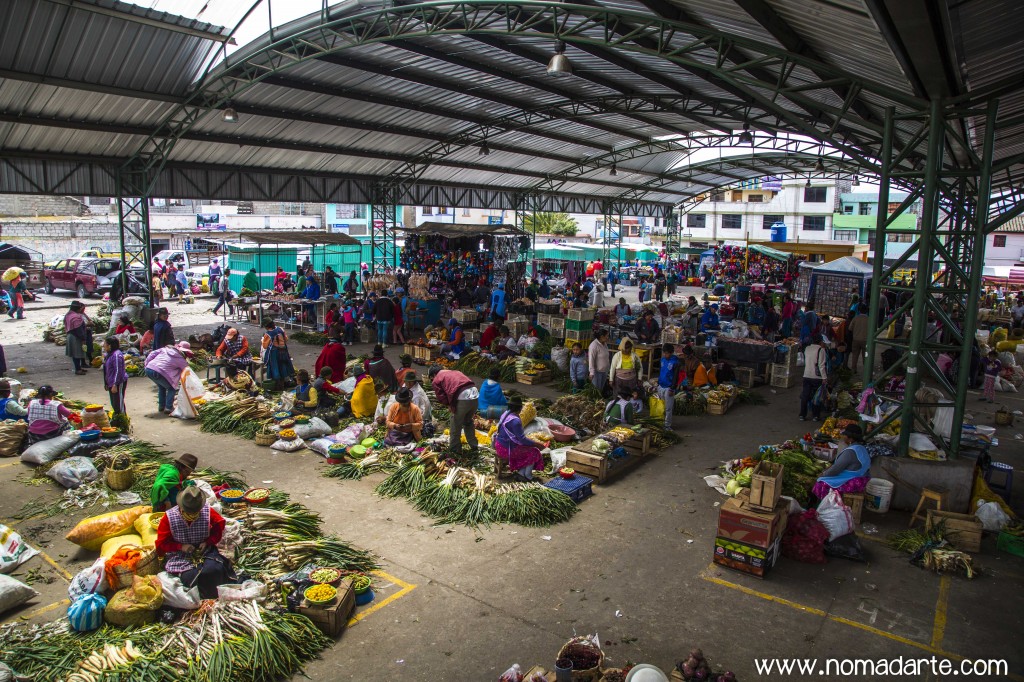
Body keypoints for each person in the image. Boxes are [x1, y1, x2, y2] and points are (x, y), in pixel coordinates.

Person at [156, 487, 237, 600]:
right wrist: (180, 546)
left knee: (215, 570)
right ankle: (201, 597)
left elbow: (219, 525)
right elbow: (162, 543)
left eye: (196, 511)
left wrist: (207, 542)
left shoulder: (207, 512)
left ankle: (212, 595)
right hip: (179, 555)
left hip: (205, 552)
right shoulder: (169, 517)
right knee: (192, 576)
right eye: (190, 512)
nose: (193, 514)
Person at [429, 365, 478, 457]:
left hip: (462, 397)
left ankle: (455, 450)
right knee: (467, 421)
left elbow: (441, 397)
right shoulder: (455, 371)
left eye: (431, 378)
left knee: (455, 423)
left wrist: (449, 405)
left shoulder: (437, 379)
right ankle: (474, 446)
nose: (432, 380)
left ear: (434, 374)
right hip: (474, 394)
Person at [812, 425, 872, 500]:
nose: (843, 436)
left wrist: (823, 475)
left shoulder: (850, 452)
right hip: (863, 479)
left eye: (844, 435)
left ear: (850, 438)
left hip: (854, 482)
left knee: (821, 483)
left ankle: (827, 505)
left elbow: (836, 469)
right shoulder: (861, 447)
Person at [494, 396, 545, 481]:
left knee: (528, 449)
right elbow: (522, 439)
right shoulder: (515, 421)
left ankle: (521, 473)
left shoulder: (505, 413)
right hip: (506, 449)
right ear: (520, 408)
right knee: (535, 452)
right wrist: (536, 444)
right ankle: (528, 476)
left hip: (498, 445)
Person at [144, 341, 193, 415]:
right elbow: (187, 370)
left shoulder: (165, 349)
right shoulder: (180, 359)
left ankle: (161, 406)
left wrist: (147, 364)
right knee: (172, 388)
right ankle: (168, 407)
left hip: (149, 369)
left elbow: (152, 354)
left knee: (161, 386)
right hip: (160, 372)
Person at [799, 335, 829, 422]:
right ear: (821, 342)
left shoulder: (807, 348)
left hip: (806, 375)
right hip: (817, 377)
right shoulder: (821, 350)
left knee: (805, 396)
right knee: (816, 397)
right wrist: (824, 378)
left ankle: (802, 415)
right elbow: (821, 365)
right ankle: (816, 416)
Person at [261, 318, 294, 390]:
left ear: (266, 326)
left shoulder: (268, 334)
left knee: (275, 368)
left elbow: (265, 346)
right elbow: (286, 339)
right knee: (283, 367)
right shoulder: (280, 329)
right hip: (283, 351)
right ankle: (282, 384)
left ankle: (278, 386)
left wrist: (263, 340)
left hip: (274, 353)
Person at [64, 301, 93, 375]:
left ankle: (79, 367)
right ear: (77, 309)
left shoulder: (68, 315)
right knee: (77, 353)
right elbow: (78, 329)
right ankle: (78, 369)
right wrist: (83, 338)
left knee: (75, 353)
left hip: (70, 335)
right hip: (76, 337)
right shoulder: (76, 317)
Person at [657, 343, 681, 430]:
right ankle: (661, 422)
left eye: (667, 353)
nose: (665, 355)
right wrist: (658, 384)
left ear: (671, 353)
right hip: (661, 386)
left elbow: (676, 376)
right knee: (661, 406)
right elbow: (661, 372)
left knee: (668, 408)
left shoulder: (675, 362)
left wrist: (672, 388)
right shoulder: (662, 360)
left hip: (669, 388)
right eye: (664, 353)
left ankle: (667, 425)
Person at [103, 337, 128, 414]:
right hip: (111, 382)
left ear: (110, 346)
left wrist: (115, 384)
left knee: (118, 404)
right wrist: (106, 383)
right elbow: (106, 370)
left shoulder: (116, 355)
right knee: (114, 404)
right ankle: (118, 420)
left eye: (105, 344)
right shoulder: (108, 355)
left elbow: (118, 370)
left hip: (118, 382)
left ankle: (123, 421)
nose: (103, 346)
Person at [847, 304, 870, 372]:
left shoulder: (855, 318)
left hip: (856, 340)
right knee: (866, 356)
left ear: (859, 310)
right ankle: (866, 371)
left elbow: (850, 328)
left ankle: (853, 369)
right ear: (866, 311)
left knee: (855, 355)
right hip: (866, 341)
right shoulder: (869, 319)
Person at [588, 329, 610, 395]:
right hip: (597, 372)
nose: (608, 337)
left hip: (604, 371)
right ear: (601, 336)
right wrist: (591, 373)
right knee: (596, 390)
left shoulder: (604, 344)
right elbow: (591, 359)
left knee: (600, 390)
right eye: (607, 336)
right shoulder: (594, 345)